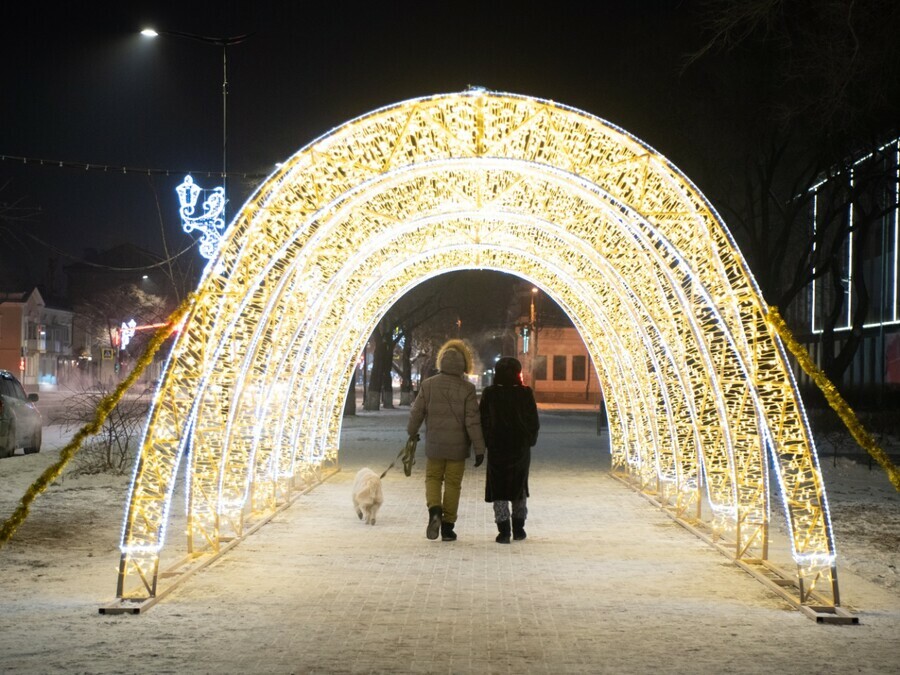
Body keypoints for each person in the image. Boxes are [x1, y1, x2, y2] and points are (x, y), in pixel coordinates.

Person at [407, 339, 486, 541]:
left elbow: (417, 412)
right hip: (457, 449)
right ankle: (448, 527)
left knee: (433, 479)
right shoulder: (467, 389)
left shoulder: (428, 385)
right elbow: (473, 422)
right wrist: (479, 448)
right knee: (453, 484)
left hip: (434, 444)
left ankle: (434, 511)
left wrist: (412, 432)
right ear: (463, 364)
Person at [479, 356, 540, 544]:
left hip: (497, 447)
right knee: (518, 487)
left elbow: (483, 420)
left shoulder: (490, 393)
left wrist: (487, 441)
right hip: (519, 448)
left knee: (499, 488)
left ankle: (503, 531)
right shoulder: (525, 393)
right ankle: (519, 528)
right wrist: (529, 440)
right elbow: (533, 421)